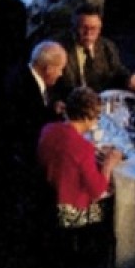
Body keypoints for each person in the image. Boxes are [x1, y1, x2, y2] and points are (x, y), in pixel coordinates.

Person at [38, 88, 122, 228]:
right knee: (116, 203)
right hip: (70, 212)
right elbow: (97, 190)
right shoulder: (83, 148)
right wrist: (108, 164)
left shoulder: (48, 129)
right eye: (96, 117)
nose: (96, 122)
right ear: (86, 118)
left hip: (46, 200)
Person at [55, 5, 135, 96]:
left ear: (99, 29)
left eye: (93, 28)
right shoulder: (59, 49)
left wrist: (128, 78)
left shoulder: (107, 46)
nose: (88, 33)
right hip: (73, 102)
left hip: (102, 100)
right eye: (84, 28)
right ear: (73, 28)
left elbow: (117, 70)